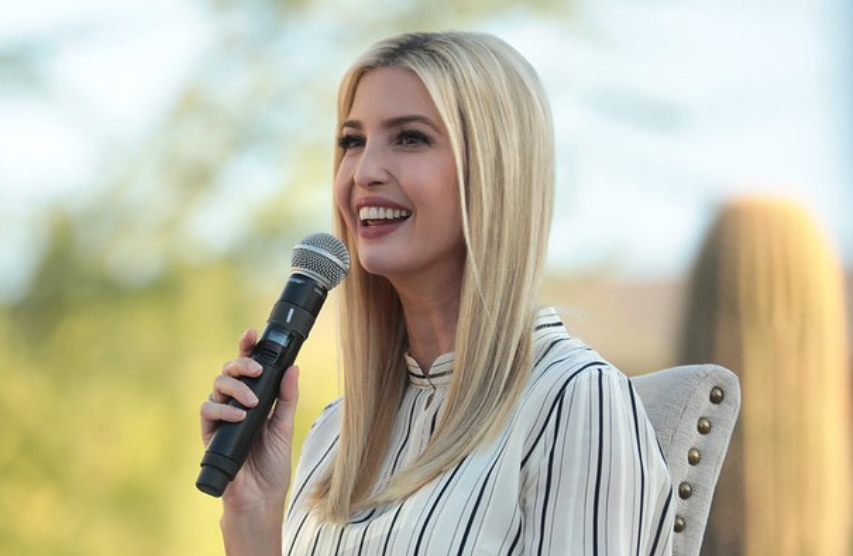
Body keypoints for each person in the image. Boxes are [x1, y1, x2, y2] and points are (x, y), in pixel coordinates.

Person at [200, 31, 674, 555]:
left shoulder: (576, 401)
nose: (363, 172)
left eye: (409, 138)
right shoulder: (333, 434)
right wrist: (254, 512)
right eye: (352, 141)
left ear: (494, 170)